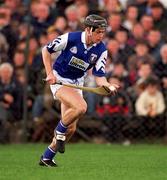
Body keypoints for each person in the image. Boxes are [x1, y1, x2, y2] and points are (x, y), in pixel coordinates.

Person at [39, 14, 119, 167]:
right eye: (98, 32)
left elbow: (99, 76)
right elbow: (46, 50)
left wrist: (108, 85)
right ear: (88, 30)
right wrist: (49, 73)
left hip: (77, 83)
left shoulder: (101, 49)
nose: (101, 35)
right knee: (81, 107)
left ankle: (47, 157)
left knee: (72, 129)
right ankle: (59, 130)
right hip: (59, 79)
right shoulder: (71, 38)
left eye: (103, 32)